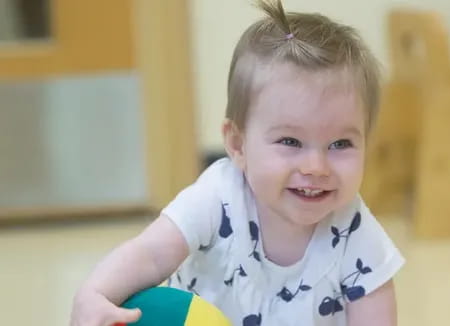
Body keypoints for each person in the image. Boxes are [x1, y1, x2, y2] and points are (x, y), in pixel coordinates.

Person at [70, 1, 404, 325]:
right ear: (237, 144)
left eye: (340, 144)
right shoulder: (218, 197)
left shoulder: (355, 232)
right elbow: (153, 254)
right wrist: (95, 292)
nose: (316, 166)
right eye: (290, 141)